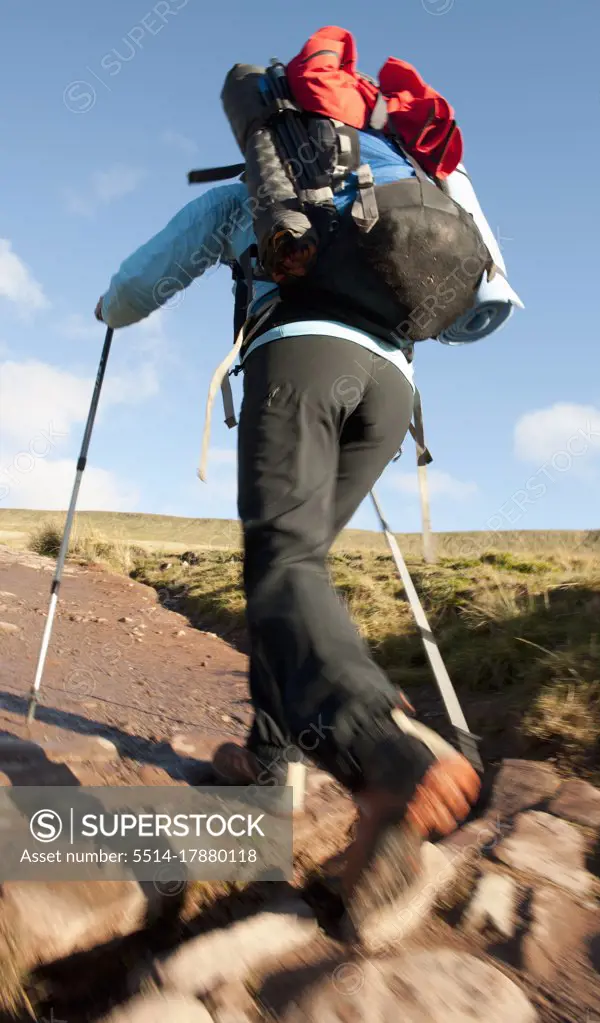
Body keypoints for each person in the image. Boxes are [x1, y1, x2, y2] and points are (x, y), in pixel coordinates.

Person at [96, 176, 482, 926]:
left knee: (284, 562)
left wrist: (110, 308)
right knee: (296, 566)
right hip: (392, 388)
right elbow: (474, 308)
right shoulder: (398, 173)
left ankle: (385, 753)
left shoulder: (255, 180)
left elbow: (143, 280)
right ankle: (273, 761)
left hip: (302, 356)